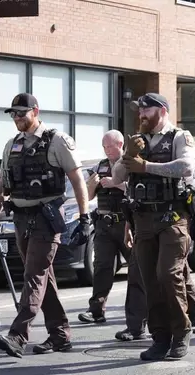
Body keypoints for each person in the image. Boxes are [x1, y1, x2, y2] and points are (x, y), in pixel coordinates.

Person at [0, 93, 93, 357]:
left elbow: (78, 179)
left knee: (33, 275)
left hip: (47, 219)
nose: (16, 118)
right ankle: (60, 336)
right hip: (21, 219)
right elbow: (3, 184)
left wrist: (84, 217)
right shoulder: (12, 144)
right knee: (43, 275)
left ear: (35, 111)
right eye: (12, 114)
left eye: (21, 113)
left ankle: (18, 335)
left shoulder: (57, 140)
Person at [111, 92, 195, 360]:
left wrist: (146, 165)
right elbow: (117, 175)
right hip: (143, 220)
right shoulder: (137, 141)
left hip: (172, 218)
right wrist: (128, 154)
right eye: (139, 111)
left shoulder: (178, 137)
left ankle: (181, 331)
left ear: (161, 110)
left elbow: (187, 167)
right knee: (149, 280)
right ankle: (160, 337)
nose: (140, 115)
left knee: (168, 274)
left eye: (145, 110)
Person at [76, 130, 147, 342]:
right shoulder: (100, 166)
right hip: (104, 224)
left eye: (110, 146)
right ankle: (96, 309)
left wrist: (114, 183)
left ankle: (139, 319)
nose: (107, 151)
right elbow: (88, 196)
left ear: (120, 144)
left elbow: (136, 189)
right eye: (104, 147)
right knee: (102, 267)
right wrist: (93, 183)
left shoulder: (129, 163)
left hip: (126, 223)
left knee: (137, 270)